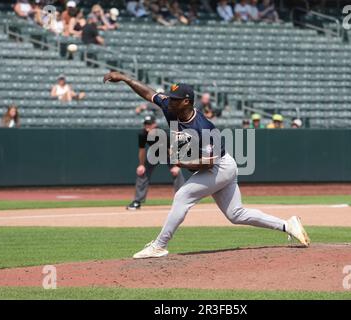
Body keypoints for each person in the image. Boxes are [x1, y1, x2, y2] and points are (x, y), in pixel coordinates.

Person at [103, 71, 311, 258]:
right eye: (170, 98)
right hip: (217, 165)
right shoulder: (170, 107)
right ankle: (288, 225)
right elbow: (149, 94)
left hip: (219, 166)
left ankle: (159, 245)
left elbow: (208, 163)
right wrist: (125, 78)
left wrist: (181, 163)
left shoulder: (202, 128)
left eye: (175, 99)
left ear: (186, 102)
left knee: (182, 196)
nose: (169, 101)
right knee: (236, 214)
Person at [127, 115, 186, 210]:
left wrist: (176, 166)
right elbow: (142, 150)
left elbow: (171, 150)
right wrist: (141, 165)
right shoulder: (142, 134)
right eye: (146, 124)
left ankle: (184, 200)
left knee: (177, 173)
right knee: (142, 172)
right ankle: (137, 201)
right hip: (154, 154)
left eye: (149, 124)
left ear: (155, 124)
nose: (147, 126)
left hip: (169, 153)